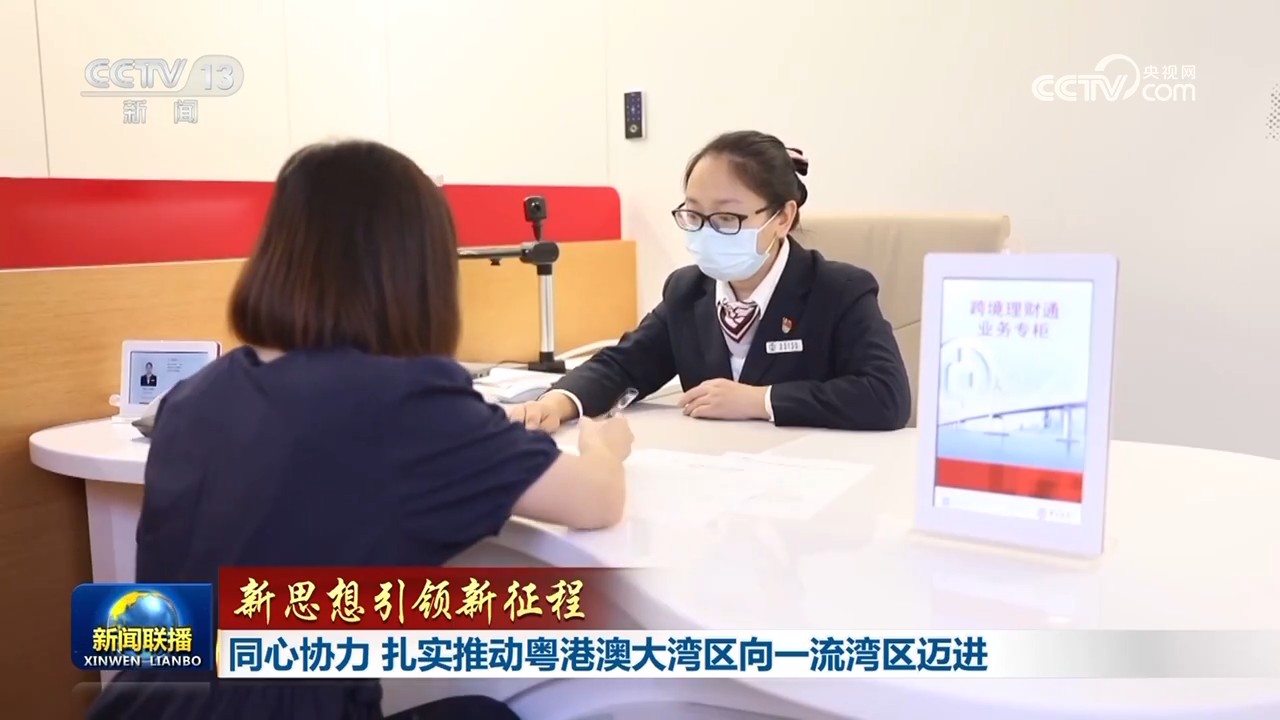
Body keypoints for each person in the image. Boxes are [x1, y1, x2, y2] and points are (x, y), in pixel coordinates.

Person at [86, 140, 633, 720]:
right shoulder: (404, 404)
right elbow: (596, 500)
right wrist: (603, 445)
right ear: (416, 271)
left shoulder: (194, 395)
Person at [508, 130, 911, 433]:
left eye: (726, 218)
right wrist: (557, 403)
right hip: (714, 475)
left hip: (815, 479)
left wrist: (761, 401)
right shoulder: (688, 291)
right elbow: (622, 366)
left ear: (783, 218)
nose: (706, 230)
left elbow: (886, 396)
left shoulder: (839, 290)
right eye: (694, 215)